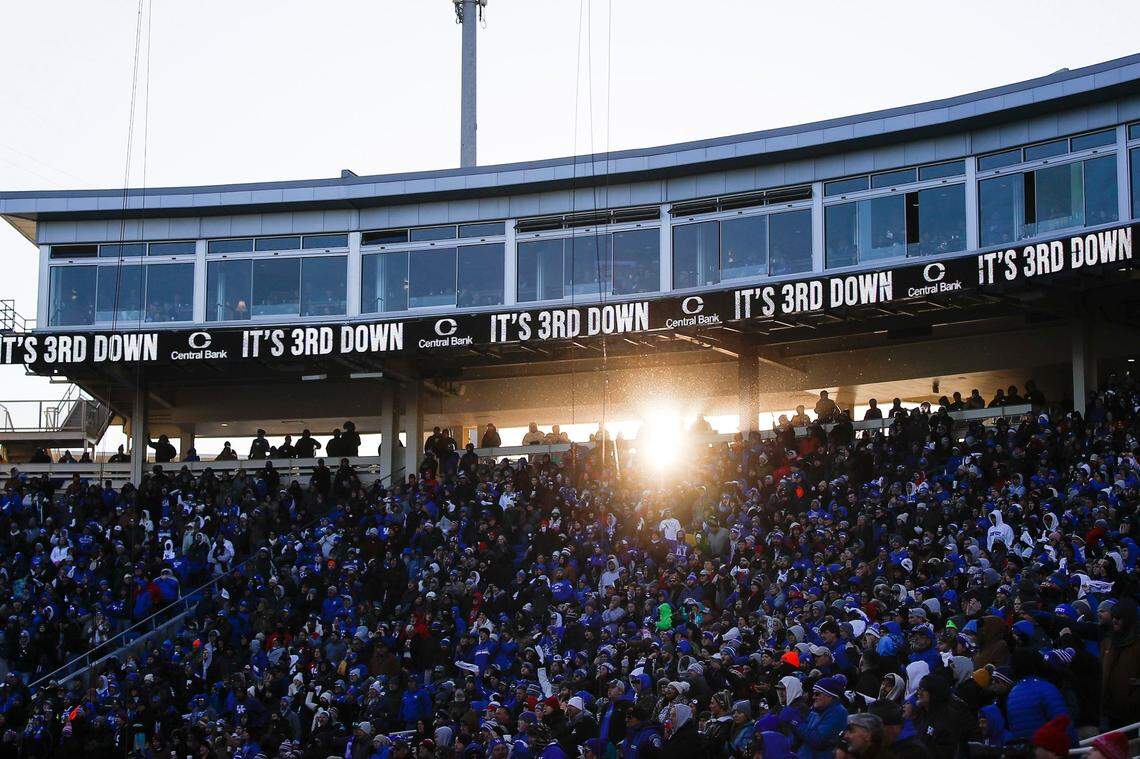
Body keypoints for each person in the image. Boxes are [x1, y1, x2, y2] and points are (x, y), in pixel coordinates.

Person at [1100, 597, 1140, 728]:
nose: (1115, 620)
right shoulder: (1108, 641)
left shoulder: (1137, 643)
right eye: (1114, 616)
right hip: (1108, 708)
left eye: (1119, 617)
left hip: (1132, 713)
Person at [792, 678, 848, 759]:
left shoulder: (838, 712)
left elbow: (818, 740)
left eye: (817, 694)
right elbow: (803, 735)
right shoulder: (816, 709)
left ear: (830, 695)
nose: (813, 697)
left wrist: (796, 723)